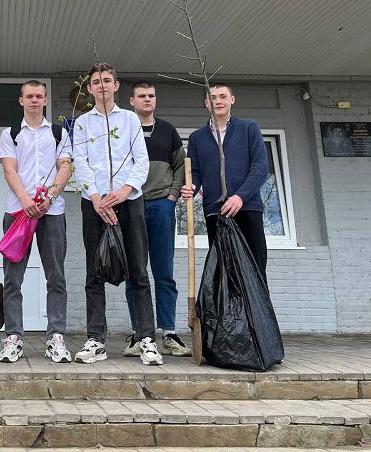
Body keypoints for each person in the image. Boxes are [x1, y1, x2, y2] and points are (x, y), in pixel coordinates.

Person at [72, 63, 163, 366]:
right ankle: (96, 339)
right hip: (94, 204)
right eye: (96, 82)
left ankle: (146, 338)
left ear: (116, 85)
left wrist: (124, 191)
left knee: (138, 271)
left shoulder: (129, 120)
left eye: (107, 80)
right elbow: (80, 162)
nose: (102, 85)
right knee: (93, 273)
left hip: (129, 201)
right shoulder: (82, 123)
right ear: (89, 88)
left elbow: (141, 160)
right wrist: (97, 199)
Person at [0, 80, 73, 364]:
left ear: (45, 100)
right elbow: (9, 170)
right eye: (29, 96)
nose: (34, 100)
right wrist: (25, 200)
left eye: (39, 96)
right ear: (21, 101)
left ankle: (56, 338)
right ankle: (13, 338)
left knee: (56, 277)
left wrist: (50, 197)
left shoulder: (58, 133)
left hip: (51, 213)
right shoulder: (11, 134)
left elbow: (65, 167)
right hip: (19, 213)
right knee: (12, 279)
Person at [124, 81, 191, 358]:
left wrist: (173, 195)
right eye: (142, 96)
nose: (147, 99)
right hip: (132, 204)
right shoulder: (124, 130)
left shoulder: (167, 130)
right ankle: (139, 334)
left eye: (151, 95)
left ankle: (169, 333)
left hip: (162, 205)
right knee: (135, 273)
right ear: (132, 101)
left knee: (164, 272)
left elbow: (181, 165)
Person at [181, 84, 269, 279]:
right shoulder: (196, 138)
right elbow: (195, 172)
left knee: (254, 270)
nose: (218, 101)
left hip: (247, 208)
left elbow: (260, 168)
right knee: (223, 273)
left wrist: (240, 197)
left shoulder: (248, 128)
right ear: (206, 102)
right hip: (216, 211)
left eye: (223, 96)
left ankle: (257, 302)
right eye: (213, 98)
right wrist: (191, 188)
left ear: (232, 100)